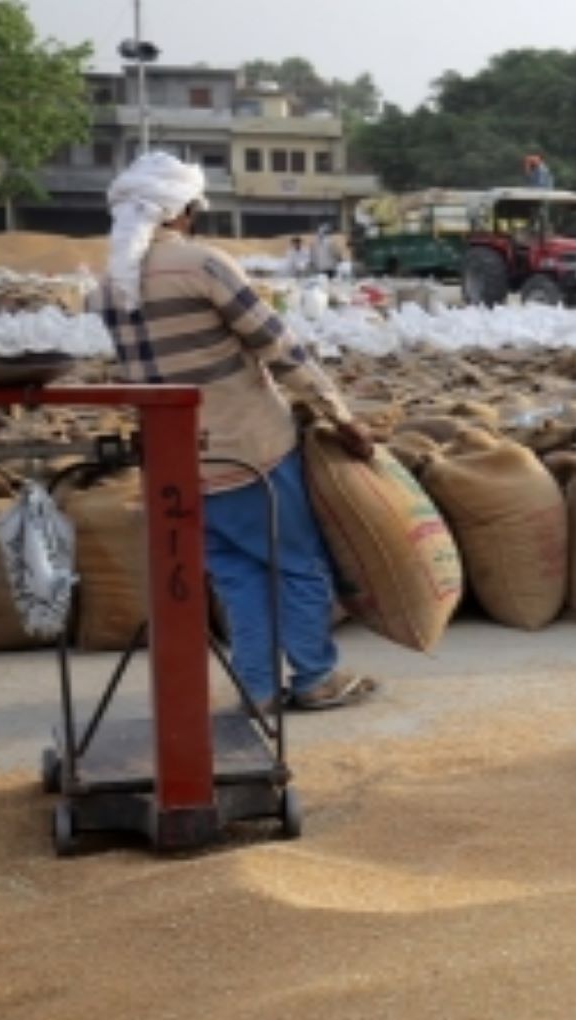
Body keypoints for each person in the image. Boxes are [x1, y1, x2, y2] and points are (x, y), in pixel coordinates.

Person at [91, 152, 380, 715]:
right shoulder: (203, 265)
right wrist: (340, 416)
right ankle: (316, 677)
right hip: (252, 453)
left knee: (237, 576)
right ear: (186, 210)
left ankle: (258, 688)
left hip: (179, 467)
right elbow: (280, 346)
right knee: (298, 565)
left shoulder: (110, 287)